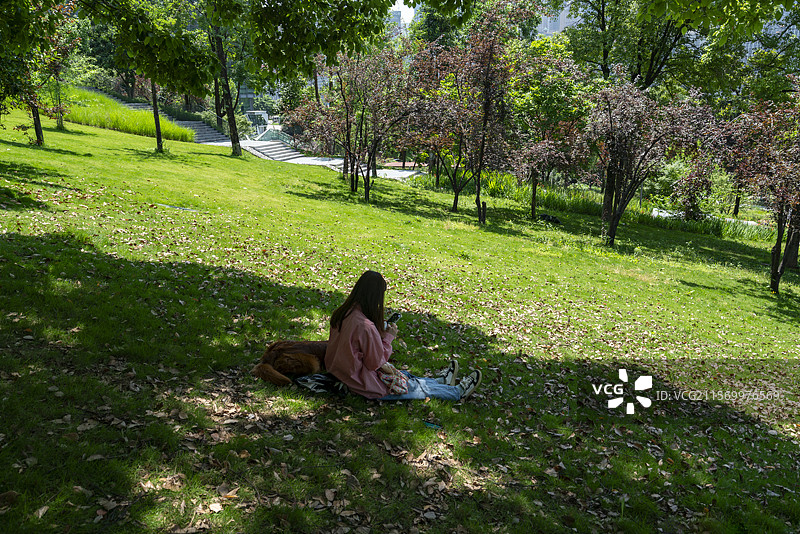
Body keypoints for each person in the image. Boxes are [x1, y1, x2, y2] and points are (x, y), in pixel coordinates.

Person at [325, 270, 482, 401]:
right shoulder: (366, 326)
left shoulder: (342, 313)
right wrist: (388, 337)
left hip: (339, 372)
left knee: (405, 376)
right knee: (411, 387)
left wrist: (377, 335)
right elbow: (375, 362)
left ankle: (442, 381)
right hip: (360, 382)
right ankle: (458, 392)